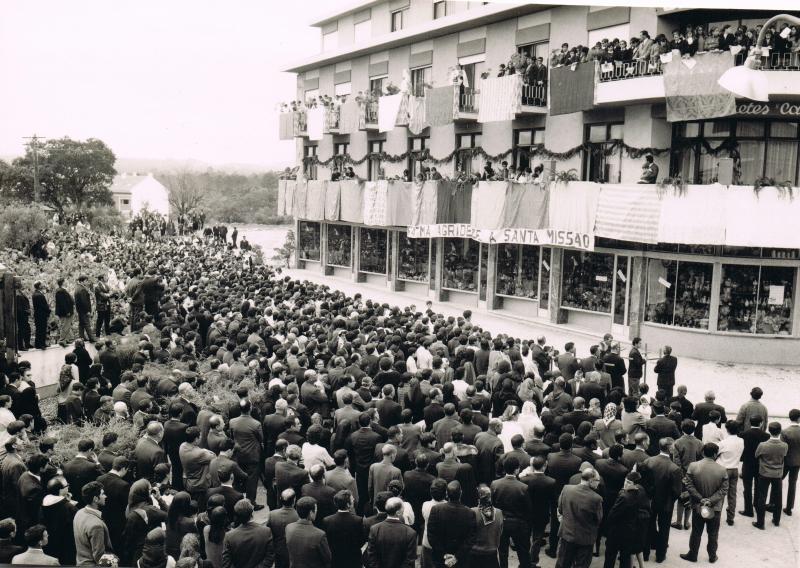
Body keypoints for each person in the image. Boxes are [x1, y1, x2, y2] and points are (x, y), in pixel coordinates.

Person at [680, 443, 728, 564]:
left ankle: (693, 554)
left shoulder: (693, 466)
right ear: (715, 454)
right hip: (715, 507)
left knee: (696, 531)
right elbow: (724, 490)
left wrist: (700, 499)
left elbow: (688, 484)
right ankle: (712, 555)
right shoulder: (722, 470)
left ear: (702, 453)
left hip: (698, 505)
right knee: (713, 533)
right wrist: (710, 500)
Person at [640, 438, 681, 563]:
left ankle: (645, 554)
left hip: (649, 501)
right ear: (669, 448)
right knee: (664, 529)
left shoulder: (648, 461)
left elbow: (643, 482)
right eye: (673, 446)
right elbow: (676, 491)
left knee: (648, 527)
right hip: (666, 503)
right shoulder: (674, 468)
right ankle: (660, 555)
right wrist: (670, 500)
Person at [555, 468, 604, 568]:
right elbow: (598, 519)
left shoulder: (566, 489)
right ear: (591, 480)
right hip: (585, 539)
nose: (598, 483)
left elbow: (560, 509)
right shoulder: (596, 498)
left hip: (567, 535)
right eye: (597, 481)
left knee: (563, 563)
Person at [491, 457, 532, 568]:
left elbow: (492, 504)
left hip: (501, 522)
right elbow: (528, 508)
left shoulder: (495, 484)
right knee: (522, 551)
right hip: (518, 523)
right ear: (517, 469)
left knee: (502, 551)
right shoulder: (523, 487)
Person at [603, 472, 649, 568]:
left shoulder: (624, 496)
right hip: (630, 531)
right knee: (625, 558)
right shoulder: (640, 492)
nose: (625, 484)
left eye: (628, 482)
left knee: (610, 557)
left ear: (634, 484)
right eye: (625, 481)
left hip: (617, 531)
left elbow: (612, 515)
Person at [426, 481, 477, 568]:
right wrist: (456, 557)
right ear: (461, 493)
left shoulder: (436, 510)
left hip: (440, 559)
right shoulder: (470, 513)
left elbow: (431, 535)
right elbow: (471, 538)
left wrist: (444, 555)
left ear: (446, 494)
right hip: (461, 560)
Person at [753, 421, 789, 529]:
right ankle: (776, 520)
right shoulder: (784, 445)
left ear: (769, 430)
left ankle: (760, 522)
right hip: (778, 474)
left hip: (764, 473)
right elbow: (784, 456)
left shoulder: (763, 445)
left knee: (761, 497)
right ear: (780, 431)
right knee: (778, 498)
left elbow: (756, 455)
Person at [364, 496, 417, 568]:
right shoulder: (410, 532)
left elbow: (372, 555)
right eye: (403, 509)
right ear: (398, 512)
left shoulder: (375, 529)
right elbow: (409, 560)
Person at [222, 499, 275, 568]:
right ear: (252, 513)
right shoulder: (266, 531)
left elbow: (226, 563)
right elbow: (269, 558)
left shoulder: (229, 536)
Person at [285, 497, 332, 568]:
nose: (316, 511)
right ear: (310, 513)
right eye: (315, 510)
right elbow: (327, 559)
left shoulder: (288, 528)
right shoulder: (319, 535)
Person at [73, 481, 112, 566]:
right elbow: (99, 557)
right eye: (103, 494)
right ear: (95, 499)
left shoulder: (79, 513)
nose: (105, 496)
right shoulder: (96, 525)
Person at [322, 490, 364, 568]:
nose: (354, 500)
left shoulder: (327, 520)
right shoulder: (358, 520)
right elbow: (361, 541)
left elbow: (327, 541)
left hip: (336, 559)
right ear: (348, 504)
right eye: (352, 499)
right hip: (353, 559)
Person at [715, 421, 743, 526]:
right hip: (735, 468)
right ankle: (730, 518)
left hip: (723, 469)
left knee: (720, 494)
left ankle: (717, 516)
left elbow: (715, 454)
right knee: (732, 495)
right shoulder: (741, 441)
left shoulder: (723, 443)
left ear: (726, 429)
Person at [468, 486, 503, 568]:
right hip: (492, 554)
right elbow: (500, 532)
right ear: (490, 497)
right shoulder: (499, 512)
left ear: (478, 498)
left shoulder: (471, 511)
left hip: (475, 554)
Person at [782, 408, 800, 517]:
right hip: (797, 462)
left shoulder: (785, 432)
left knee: (778, 482)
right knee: (792, 484)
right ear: (798, 419)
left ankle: (773, 503)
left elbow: (783, 449)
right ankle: (789, 508)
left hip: (786, 461)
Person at [74, 275, 96, 343]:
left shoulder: (77, 288)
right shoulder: (82, 289)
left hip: (80, 310)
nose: (87, 282)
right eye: (86, 281)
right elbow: (84, 302)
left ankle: (82, 337)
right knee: (87, 324)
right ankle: (91, 338)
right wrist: (88, 311)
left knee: (81, 324)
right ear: (82, 281)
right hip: (84, 310)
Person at [54, 277, 75, 345]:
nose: (66, 282)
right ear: (62, 282)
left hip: (67, 311)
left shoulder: (63, 290)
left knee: (67, 325)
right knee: (65, 326)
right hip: (65, 312)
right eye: (65, 281)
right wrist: (67, 311)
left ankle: (68, 339)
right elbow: (62, 303)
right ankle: (62, 340)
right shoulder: (60, 291)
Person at [31, 281, 51, 350]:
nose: (43, 285)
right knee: (42, 329)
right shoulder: (39, 295)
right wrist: (48, 310)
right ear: (39, 286)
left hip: (38, 315)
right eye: (41, 285)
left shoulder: (35, 294)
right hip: (41, 315)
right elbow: (43, 305)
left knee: (39, 329)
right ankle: (41, 344)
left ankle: (39, 344)